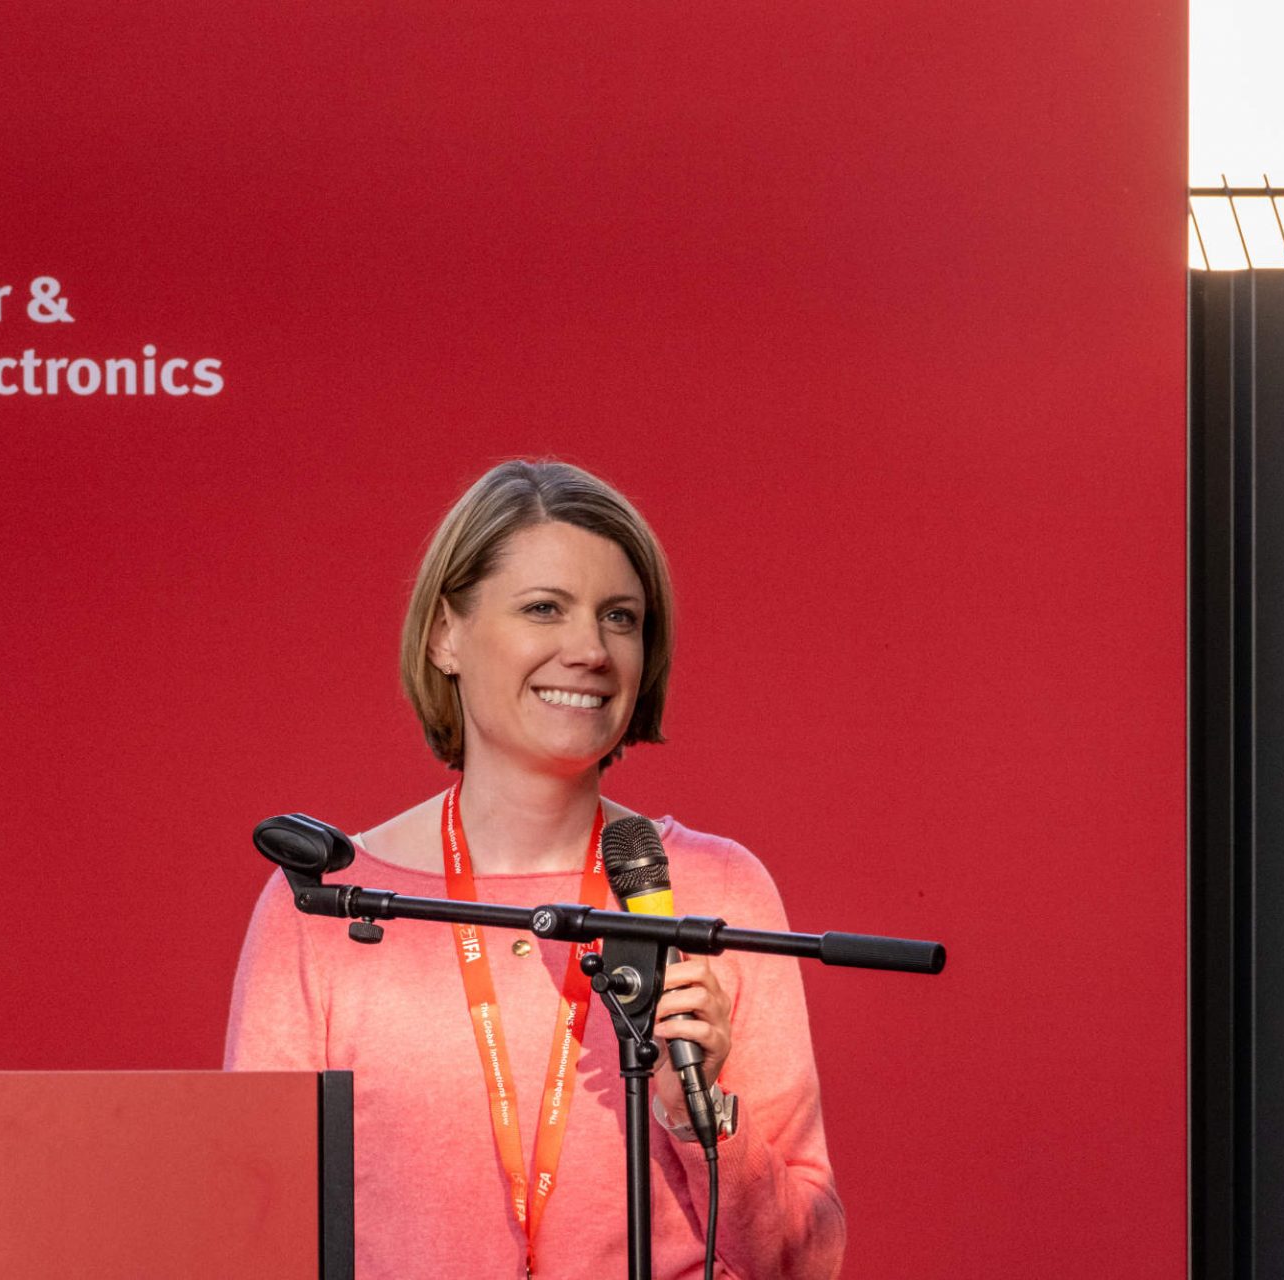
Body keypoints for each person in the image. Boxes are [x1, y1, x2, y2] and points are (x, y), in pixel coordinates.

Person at [225, 460, 844, 1279]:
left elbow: (802, 1265)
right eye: (544, 608)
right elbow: (260, 1233)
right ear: (445, 635)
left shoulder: (718, 890)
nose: (589, 650)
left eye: (620, 617)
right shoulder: (324, 904)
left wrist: (697, 1114)